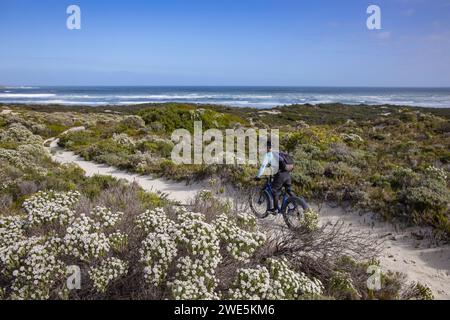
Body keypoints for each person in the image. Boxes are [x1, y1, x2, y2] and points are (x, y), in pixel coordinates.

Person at [256, 140, 294, 213]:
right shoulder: (280, 153)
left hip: (280, 175)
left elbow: (263, 166)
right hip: (287, 174)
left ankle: (275, 209)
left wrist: (258, 176)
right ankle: (297, 203)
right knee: (289, 191)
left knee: (274, 190)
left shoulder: (269, 154)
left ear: (268, 147)